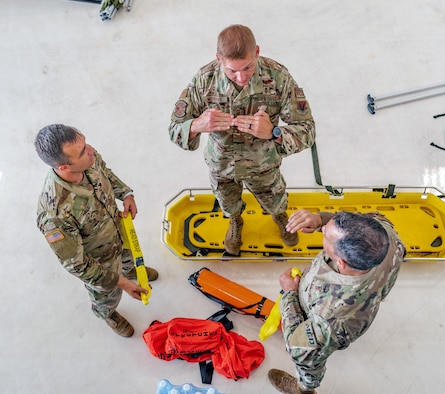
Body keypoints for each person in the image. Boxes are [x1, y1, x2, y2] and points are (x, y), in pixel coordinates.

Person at [168, 24, 316, 255]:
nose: (241, 77)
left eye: (248, 67)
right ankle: (235, 222)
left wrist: (274, 133)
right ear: (218, 59)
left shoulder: (278, 78)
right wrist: (197, 125)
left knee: (274, 199)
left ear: (257, 52)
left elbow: (307, 130)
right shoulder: (204, 80)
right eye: (232, 71)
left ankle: (280, 218)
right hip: (222, 165)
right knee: (227, 202)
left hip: (263, 165)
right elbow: (174, 129)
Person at [35, 124, 159, 338]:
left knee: (128, 256)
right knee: (107, 295)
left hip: (119, 231)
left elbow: (107, 174)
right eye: (83, 151)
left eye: (86, 144)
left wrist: (126, 194)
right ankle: (107, 313)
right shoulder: (55, 215)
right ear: (64, 167)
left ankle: (131, 270)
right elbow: (78, 265)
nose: (91, 150)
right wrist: (120, 283)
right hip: (99, 261)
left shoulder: (88, 157)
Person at [268, 209, 406, 394]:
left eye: (325, 234)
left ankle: (305, 389)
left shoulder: (331, 316)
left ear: (340, 262)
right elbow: (369, 218)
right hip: (374, 289)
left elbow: (298, 349)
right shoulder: (383, 234)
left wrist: (290, 294)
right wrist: (319, 219)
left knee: (310, 365)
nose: (323, 228)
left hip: (328, 326)